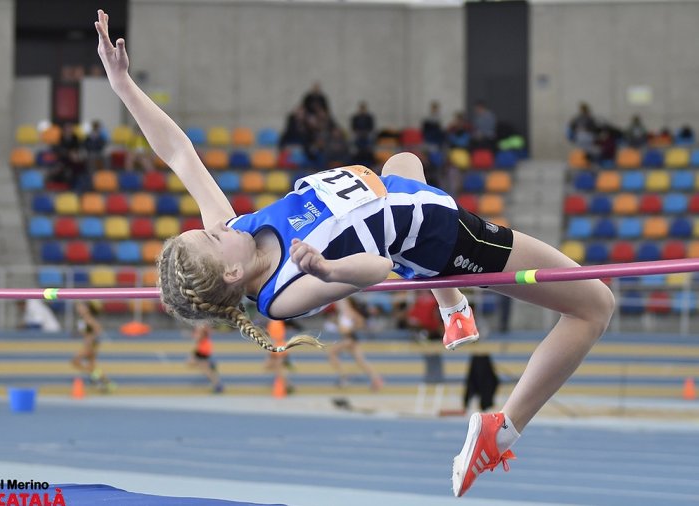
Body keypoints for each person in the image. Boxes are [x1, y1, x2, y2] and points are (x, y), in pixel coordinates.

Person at [94, 10, 615, 497]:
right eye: (208, 236)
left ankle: (452, 306)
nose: (213, 226)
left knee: (405, 159)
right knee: (594, 305)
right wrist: (327, 267)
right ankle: (500, 432)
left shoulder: (235, 231)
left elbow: (180, 152)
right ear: (230, 269)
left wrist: (123, 87)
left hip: (400, 196)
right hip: (441, 235)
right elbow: (380, 268)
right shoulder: (284, 291)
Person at [325, 297, 384, 391]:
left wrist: (351, 328)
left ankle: (344, 376)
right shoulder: (343, 312)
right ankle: (376, 379)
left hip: (350, 338)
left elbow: (361, 322)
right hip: (349, 338)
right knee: (361, 361)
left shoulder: (349, 311)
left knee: (332, 353)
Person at [72, 301, 115, 392]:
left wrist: (91, 339)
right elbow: (83, 332)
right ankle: (106, 382)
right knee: (92, 366)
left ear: (87, 308)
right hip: (87, 344)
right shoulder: (82, 319)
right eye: (78, 307)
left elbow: (98, 329)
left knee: (76, 361)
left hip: (90, 345)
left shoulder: (88, 318)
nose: (79, 309)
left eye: (81, 307)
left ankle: (96, 376)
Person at [188, 324, 223, 394]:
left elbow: (199, 338)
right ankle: (217, 385)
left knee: (207, 371)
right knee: (206, 370)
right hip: (204, 350)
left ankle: (218, 386)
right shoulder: (203, 329)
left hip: (203, 350)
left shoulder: (202, 329)